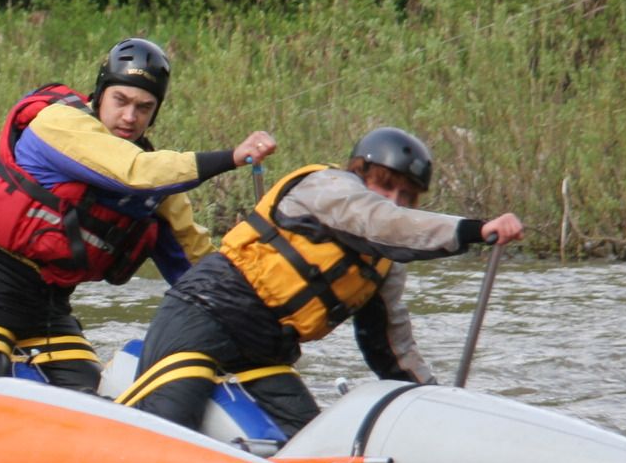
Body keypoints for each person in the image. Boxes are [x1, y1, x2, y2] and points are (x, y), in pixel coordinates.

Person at [0, 37, 275, 391]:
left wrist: (258, 314)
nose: (130, 116)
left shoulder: (157, 188)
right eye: (121, 100)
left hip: (50, 310)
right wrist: (231, 157)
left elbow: (197, 266)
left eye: (144, 108)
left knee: (85, 389)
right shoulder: (60, 125)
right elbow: (132, 171)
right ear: (100, 94)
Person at [120, 126, 524, 438]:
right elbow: (382, 221)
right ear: (358, 172)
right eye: (385, 185)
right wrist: (475, 230)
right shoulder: (328, 188)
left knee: (309, 454)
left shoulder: (384, 264)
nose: (394, 200)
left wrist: (438, 405)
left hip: (264, 353)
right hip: (203, 315)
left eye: (407, 195)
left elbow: (390, 350)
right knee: (169, 428)